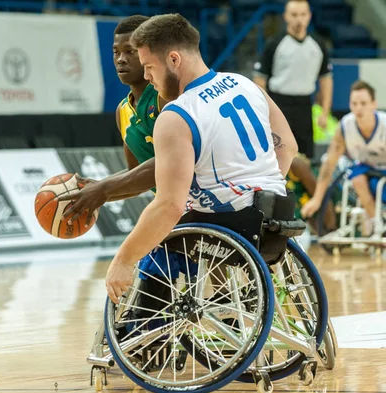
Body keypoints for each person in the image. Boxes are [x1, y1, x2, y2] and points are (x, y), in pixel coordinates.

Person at [105, 14, 298, 303]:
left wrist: (123, 260)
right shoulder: (245, 84)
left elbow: (168, 205)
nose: (146, 77)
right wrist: (262, 187)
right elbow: (288, 146)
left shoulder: (177, 115)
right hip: (277, 211)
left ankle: (145, 333)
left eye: (149, 67)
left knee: (159, 237)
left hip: (229, 225)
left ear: (173, 59)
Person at [60, 15, 164, 225]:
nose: (120, 59)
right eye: (116, 52)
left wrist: (105, 188)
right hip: (172, 209)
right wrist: (96, 189)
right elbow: (138, 176)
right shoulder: (122, 111)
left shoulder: (165, 97)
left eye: (130, 51)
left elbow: (170, 163)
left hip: (203, 204)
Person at [301, 80, 386, 236]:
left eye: (363, 103)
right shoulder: (346, 126)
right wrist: (317, 199)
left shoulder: (384, 125)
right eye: (354, 103)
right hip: (365, 171)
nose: (358, 108)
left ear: (374, 104)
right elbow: (329, 163)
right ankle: (376, 224)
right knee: (355, 176)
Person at [253, 0, 333, 160]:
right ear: (286, 17)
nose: (299, 19)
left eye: (303, 14)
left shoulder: (318, 45)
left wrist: (325, 112)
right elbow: (259, 80)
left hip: (304, 104)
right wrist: (263, 111)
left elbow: (326, 80)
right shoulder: (274, 44)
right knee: (278, 154)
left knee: (305, 155)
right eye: (294, 15)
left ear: (309, 16)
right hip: (278, 104)